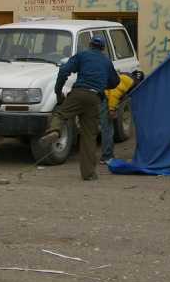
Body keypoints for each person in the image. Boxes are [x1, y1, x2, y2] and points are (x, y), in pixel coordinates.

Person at [39, 35, 119, 180]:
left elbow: (64, 70)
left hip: (78, 93)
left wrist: (58, 91)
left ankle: (55, 131)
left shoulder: (82, 56)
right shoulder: (106, 61)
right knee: (89, 136)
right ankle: (89, 174)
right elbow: (115, 82)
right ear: (103, 48)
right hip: (95, 98)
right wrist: (101, 84)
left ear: (90, 45)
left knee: (60, 114)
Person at [99, 70, 139, 163]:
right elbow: (115, 93)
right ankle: (107, 157)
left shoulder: (126, 78)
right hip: (104, 98)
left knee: (107, 128)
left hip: (103, 96)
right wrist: (112, 109)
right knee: (108, 128)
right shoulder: (129, 82)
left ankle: (108, 155)